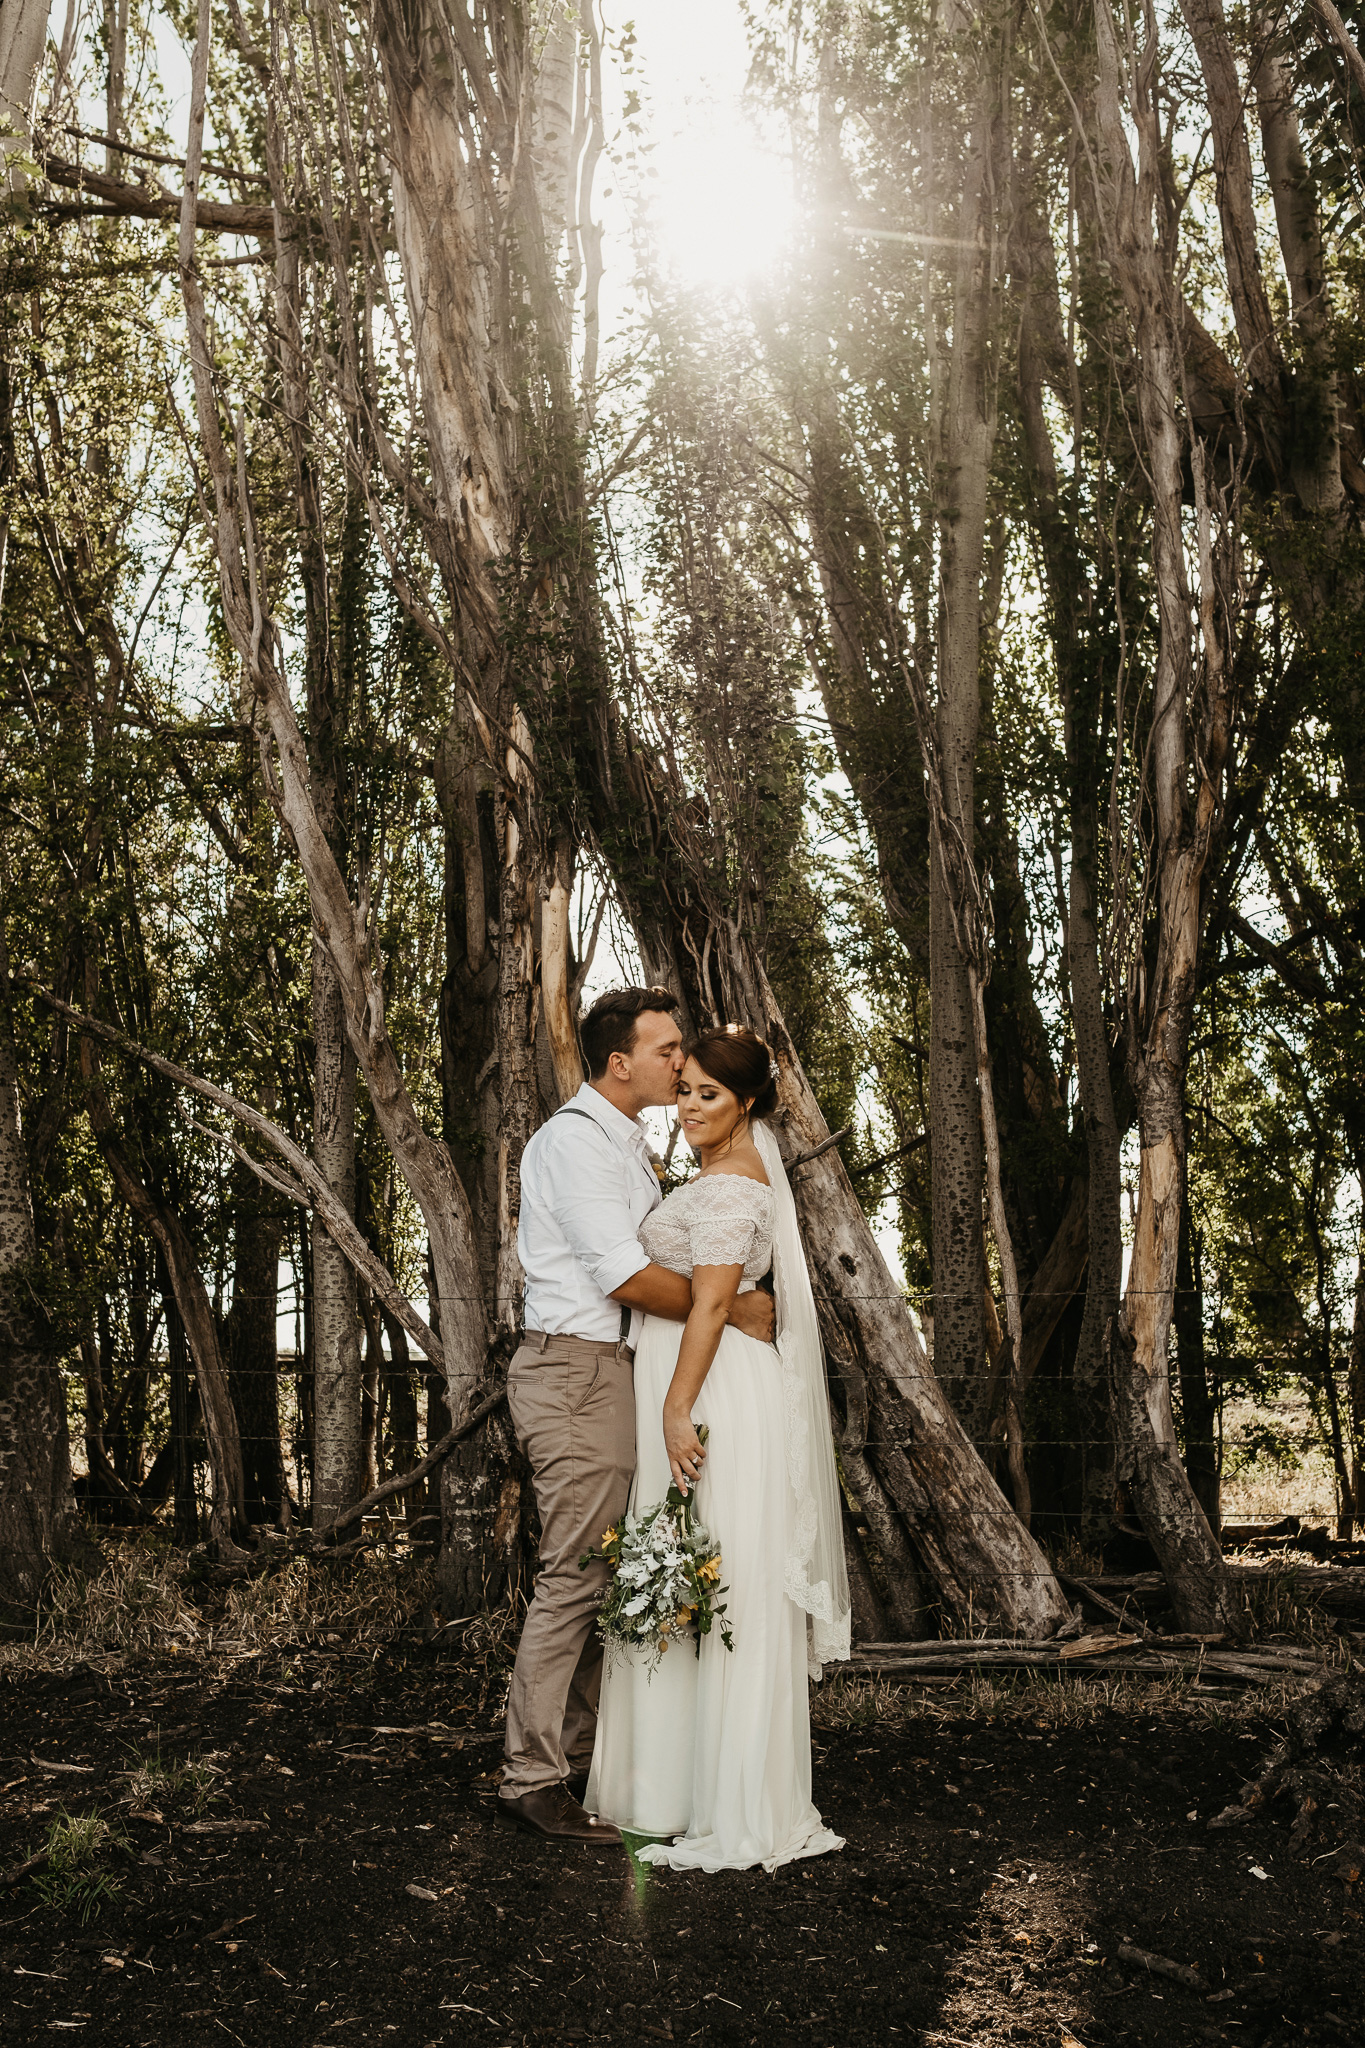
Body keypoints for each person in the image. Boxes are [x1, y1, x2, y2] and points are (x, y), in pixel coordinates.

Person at [498, 988, 776, 1845]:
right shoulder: (575, 1144)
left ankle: (577, 1754)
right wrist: (727, 1306)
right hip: (575, 1371)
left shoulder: (630, 1147)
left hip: (608, 1372)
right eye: (665, 1052)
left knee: (604, 1573)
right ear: (620, 1062)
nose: (677, 1063)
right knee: (575, 1574)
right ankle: (531, 1777)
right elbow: (622, 1276)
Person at [587, 1024, 851, 1872]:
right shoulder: (713, 1175)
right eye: (686, 1090)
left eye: (710, 1094)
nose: (691, 1107)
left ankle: (735, 1799)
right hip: (708, 1382)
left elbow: (707, 1307)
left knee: (721, 1576)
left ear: (747, 1104)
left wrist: (674, 1408)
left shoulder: (733, 1187)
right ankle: (674, 1788)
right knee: (688, 1574)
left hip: (715, 1397)